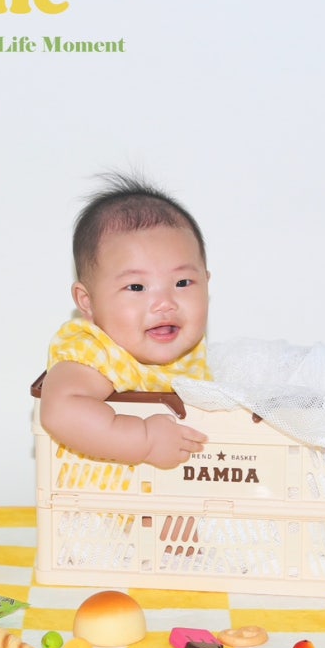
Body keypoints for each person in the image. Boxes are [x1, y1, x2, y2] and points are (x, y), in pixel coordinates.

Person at [40, 172, 211, 468]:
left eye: (182, 283)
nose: (165, 303)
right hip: (102, 491)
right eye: (136, 287)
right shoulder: (96, 354)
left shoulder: (190, 349)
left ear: (207, 283)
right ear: (87, 302)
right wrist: (145, 440)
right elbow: (60, 410)